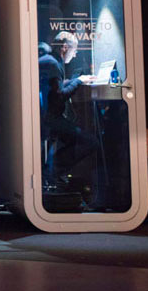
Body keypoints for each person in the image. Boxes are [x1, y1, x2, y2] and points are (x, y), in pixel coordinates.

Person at [38, 31, 98, 185]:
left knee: (75, 138)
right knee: (90, 142)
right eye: (74, 49)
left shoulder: (49, 60)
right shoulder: (53, 64)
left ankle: (50, 170)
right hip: (50, 120)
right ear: (65, 47)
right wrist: (78, 81)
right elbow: (59, 97)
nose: (75, 54)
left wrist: (75, 80)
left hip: (45, 117)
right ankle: (51, 171)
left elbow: (54, 89)